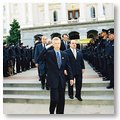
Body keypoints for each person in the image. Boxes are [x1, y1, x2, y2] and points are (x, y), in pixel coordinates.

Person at [39, 37, 74, 114]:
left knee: (61, 99)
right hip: (52, 80)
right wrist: (47, 46)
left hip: (62, 80)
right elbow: (40, 58)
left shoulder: (64, 54)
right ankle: (51, 112)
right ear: (53, 44)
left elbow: (68, 67)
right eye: (55, 43)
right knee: (54, 99)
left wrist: (71, 78)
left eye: (58, 43)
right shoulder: (49, 53)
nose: (57, 45)